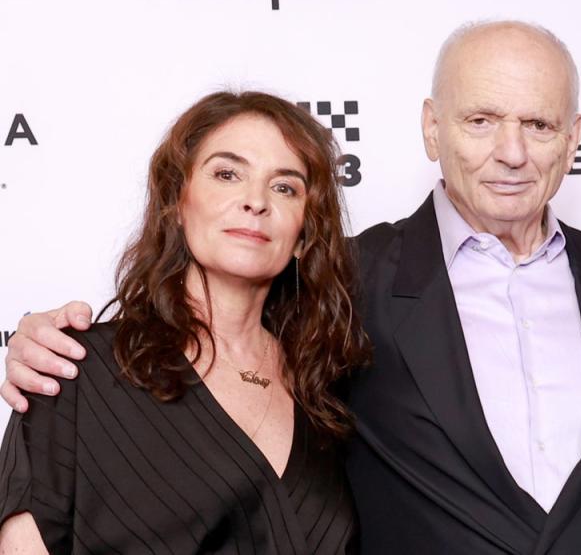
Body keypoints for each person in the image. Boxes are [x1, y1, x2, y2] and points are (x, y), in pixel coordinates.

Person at [2, 21, 581, 554]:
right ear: (433, 127)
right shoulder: (357, 281)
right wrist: (43, 342)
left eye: (539, 125)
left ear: (573, 138)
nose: (511, 150)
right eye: (481, 119)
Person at [0, 91, 367, 553]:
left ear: (303, 235)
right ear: (177, 201)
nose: (255, 201)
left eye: (285, 187)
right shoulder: (74, 368)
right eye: (227, 174)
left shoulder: (327, 391)